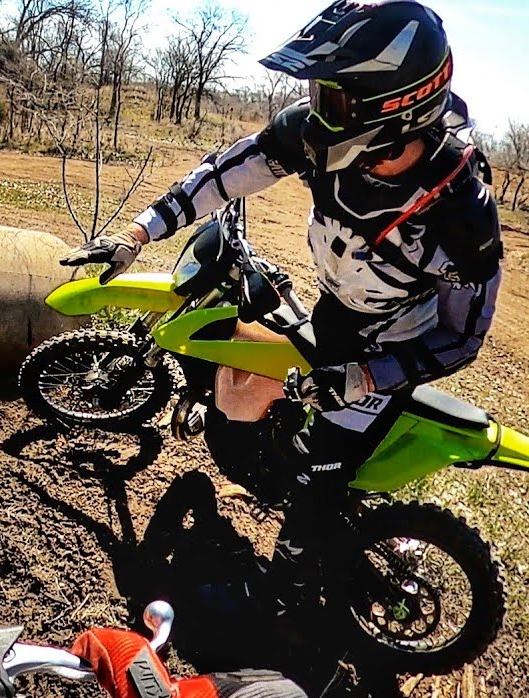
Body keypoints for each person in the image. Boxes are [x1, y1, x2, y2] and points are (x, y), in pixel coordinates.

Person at [61, 0, 504, 618]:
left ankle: (289, 598)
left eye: (334, 98)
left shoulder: (460, 212)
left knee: (315, 479)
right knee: (256, 385)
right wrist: (138, 234)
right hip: (337, 312)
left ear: (394, 110)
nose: (315, 113)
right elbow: (224, 173)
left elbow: (464, 337)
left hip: (394, 347)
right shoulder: (318, 139)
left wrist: (366, 377)